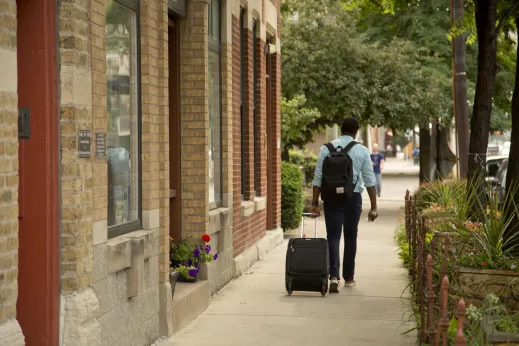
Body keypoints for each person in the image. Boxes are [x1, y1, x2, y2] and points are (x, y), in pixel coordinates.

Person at [310, 118, 379, 293]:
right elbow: (370, 179)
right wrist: (373, 207)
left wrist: (314, 204)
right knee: (350, 236)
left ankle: (333, 276)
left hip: (331, 198)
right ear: (356, 132)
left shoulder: (326, 148)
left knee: (333, 236)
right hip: (353, 198)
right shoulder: (362, 150)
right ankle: (349, 278)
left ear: (341, 130)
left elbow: (318, 177)